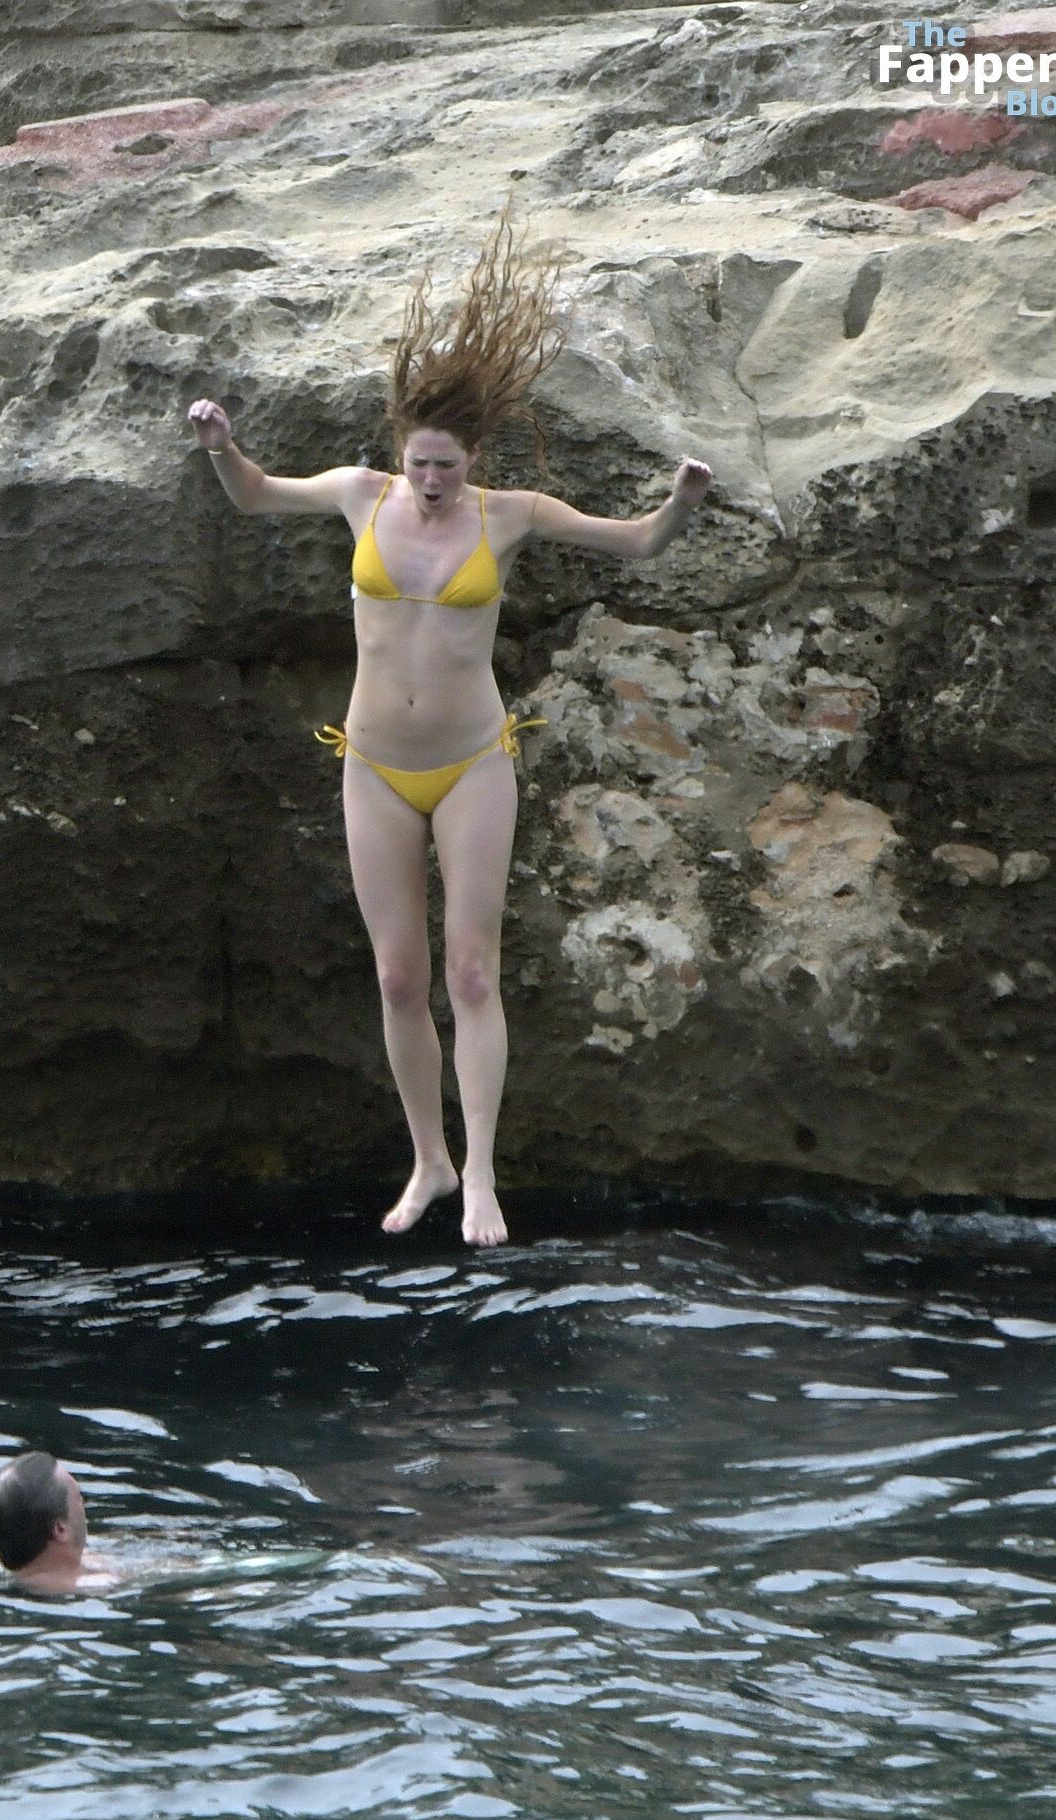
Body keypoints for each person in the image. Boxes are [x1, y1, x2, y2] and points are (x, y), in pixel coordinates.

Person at [191, 197, 712, 1249]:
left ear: (473, 456)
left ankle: (481, 1175)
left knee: (470, 971)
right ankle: (426, 1160)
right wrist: (219, 445)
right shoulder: (358, 493)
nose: (432, 482)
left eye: (448, 465)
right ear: (401, 450)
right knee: (398, 976)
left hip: (473, 763)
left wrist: (681, 502)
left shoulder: (507, 515)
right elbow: (253, 496)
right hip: (374, 766)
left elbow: (636, 543)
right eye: (420, 463)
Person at [0, 1451, 117, 1593]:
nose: (83, 1502)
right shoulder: (98, 1585)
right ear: (60, 1529)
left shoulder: (0, 1562)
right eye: (78, 1497)